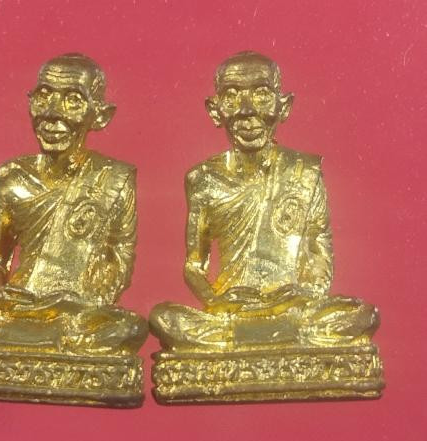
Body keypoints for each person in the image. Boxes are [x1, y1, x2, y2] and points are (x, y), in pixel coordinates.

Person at [0, 54, 147, 355]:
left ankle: (19, 339)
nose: (52, 112)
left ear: (101, 115)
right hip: (17, 306)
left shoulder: (115, 177)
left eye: (73, 100)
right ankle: (40, 337)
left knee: (131, 327)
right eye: (43, 96)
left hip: (75, 312)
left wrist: (83, 302)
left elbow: (120, 257)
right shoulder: (12, 176)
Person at [150, 51, 379, 350]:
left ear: (284, 106)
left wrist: (306, 294)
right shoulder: (203, 178)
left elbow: (318, 248)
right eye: (232, 96)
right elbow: (194, 265)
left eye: (261, 95)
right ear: (215, 110)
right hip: (231, 308)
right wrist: (215, 300)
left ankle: (254, 337)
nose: (247, 111)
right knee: (163, 318)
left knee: (363, 316)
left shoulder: (305, 172)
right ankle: (277, 336)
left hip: (291, 306)